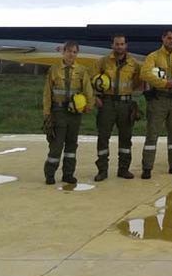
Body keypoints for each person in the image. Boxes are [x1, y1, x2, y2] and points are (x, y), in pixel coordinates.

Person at [140, 30, 172, 178]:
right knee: (152, 134)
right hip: (158, 99)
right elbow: (145, 73)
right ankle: (147, 167)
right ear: (163, 38)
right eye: (169, 38)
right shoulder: (153, 57)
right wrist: (164, 83)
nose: (171, 41)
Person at [42, 41, 94, 184]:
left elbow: (87, 89)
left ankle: (68, 174)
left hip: (74, 112)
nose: (71, 54)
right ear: (63, 52)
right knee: (56, 144)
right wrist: (47, 112)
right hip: (58, 111)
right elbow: (47, 92)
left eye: (74, 52)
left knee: (72, 145)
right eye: (69, 51)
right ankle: (50, 174)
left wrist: (89, 105)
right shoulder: (54, 69)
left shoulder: (82, 70)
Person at [94, 34, 141, 181]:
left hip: (125, 104)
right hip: (107, 103)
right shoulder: (103, 62)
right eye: (117, 44)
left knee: (126, 138)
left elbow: (137, 81)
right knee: (103, 137)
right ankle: (102, 170)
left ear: (126, 46)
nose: (119, 46)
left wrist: (127, 95)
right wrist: (96, 97)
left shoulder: (133, 63)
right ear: (112, 45)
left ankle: (124, 169)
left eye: (122, 44)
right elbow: (93, 79)